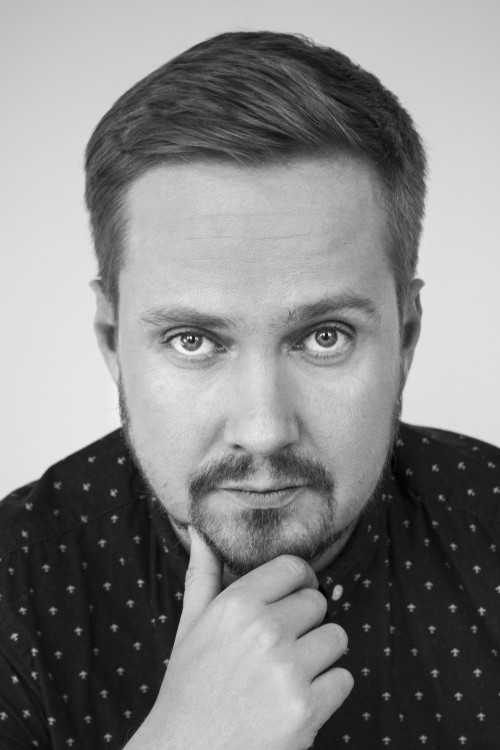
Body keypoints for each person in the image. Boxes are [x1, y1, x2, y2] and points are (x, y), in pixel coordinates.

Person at [1, 29, 499, 750]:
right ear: (112, 341)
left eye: (325, 336)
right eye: (193, 340)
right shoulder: (15, 586)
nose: (263, 429)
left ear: (407, 335)